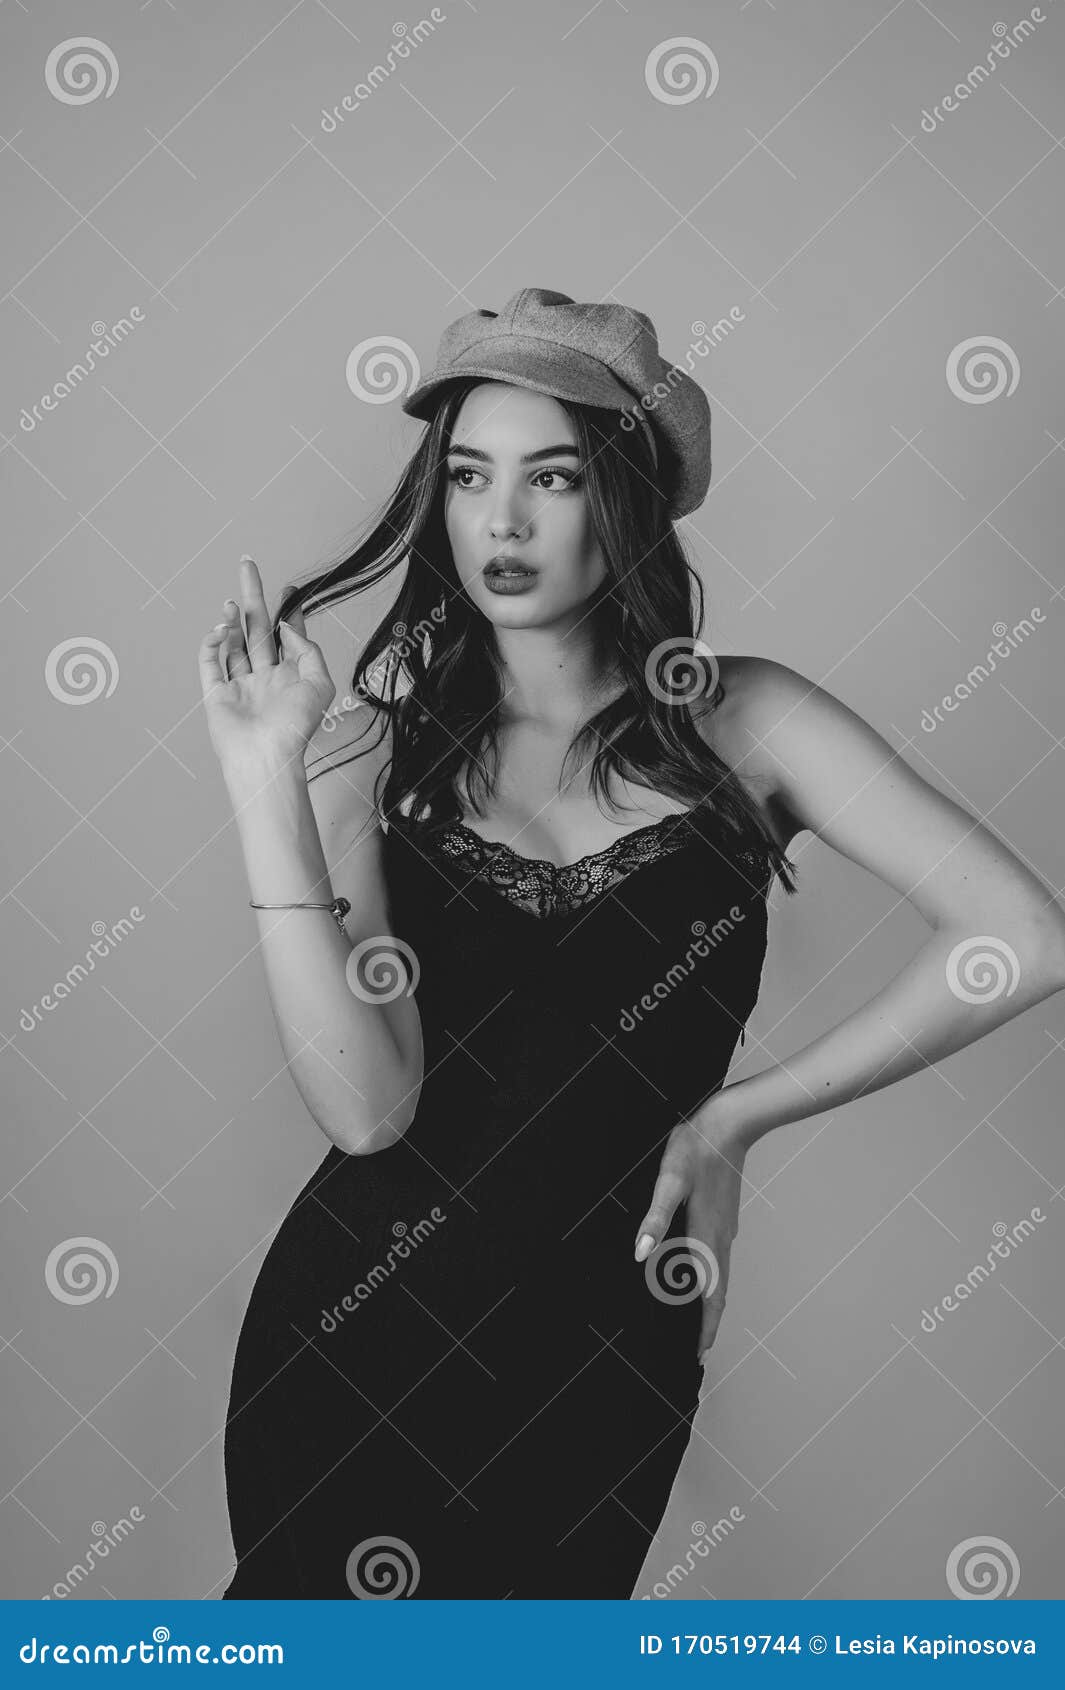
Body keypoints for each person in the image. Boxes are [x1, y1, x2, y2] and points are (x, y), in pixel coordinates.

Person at [198, 289, 1065, 1599]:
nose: (500, 520)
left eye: (550, 477)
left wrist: (731, 1121)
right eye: (468, 476)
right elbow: (368, 1115)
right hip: (359, 1332)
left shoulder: (749, 722)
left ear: (628, 500)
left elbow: (1020, 936)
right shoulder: (374, 751)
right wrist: (267, 784)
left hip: (605, 1344)